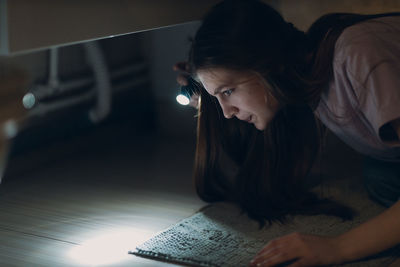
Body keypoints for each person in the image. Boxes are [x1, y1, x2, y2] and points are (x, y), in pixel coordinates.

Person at [174, 0, 400, 266]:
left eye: (227, 92)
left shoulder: (358, 54)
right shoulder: (308, 79)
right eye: (218, 97)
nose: (226, 112)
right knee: (378, 174)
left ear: (267, 65)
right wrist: (210, 95)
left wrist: (338, 248)